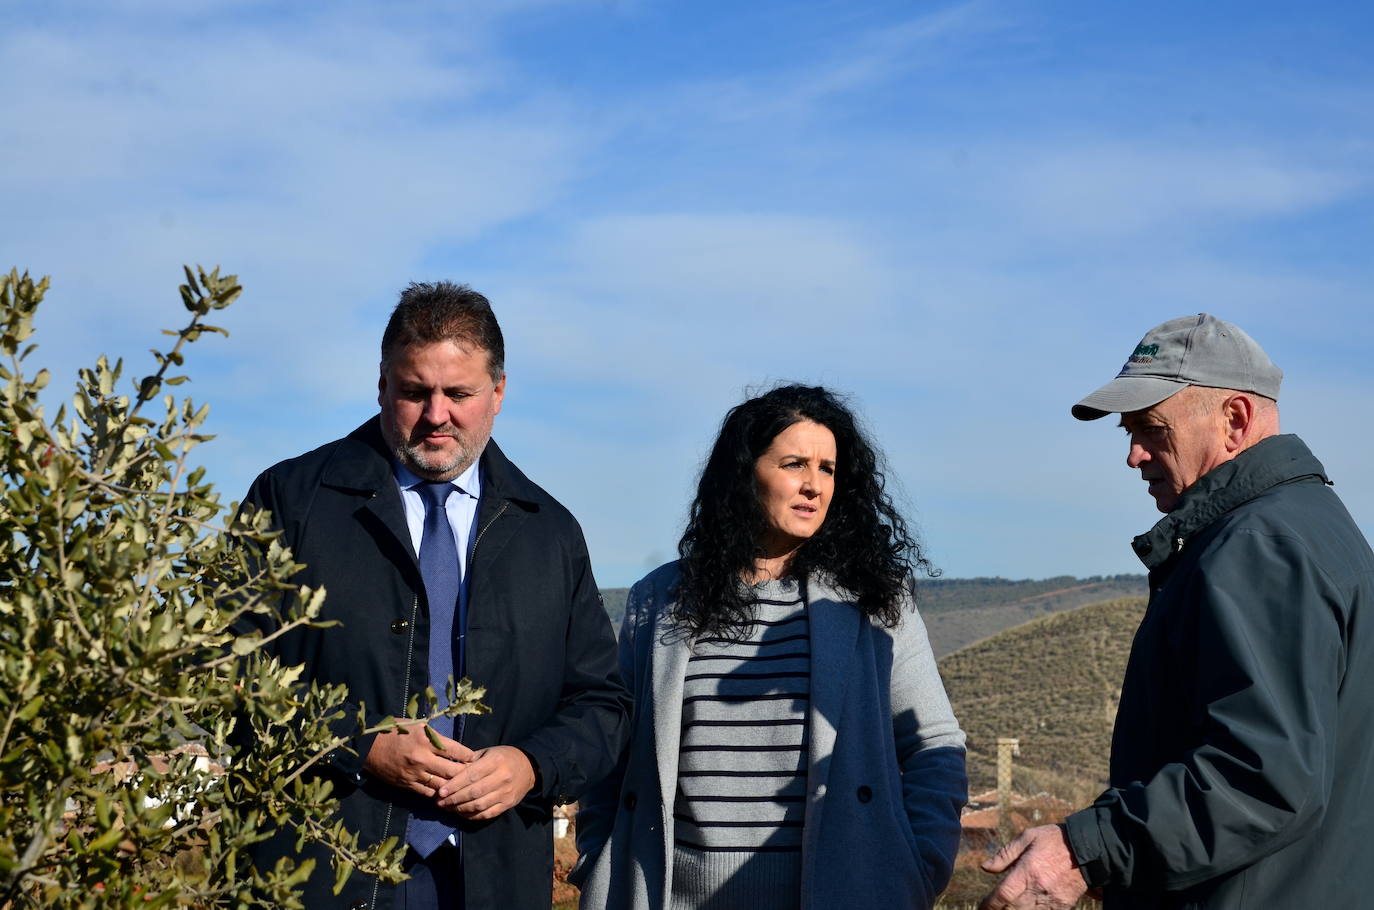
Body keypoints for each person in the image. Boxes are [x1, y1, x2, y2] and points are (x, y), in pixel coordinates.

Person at [236, 281, 630, 909]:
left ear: (498, 393)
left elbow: (603, 705)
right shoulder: (291, 502)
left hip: (495, 878)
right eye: (415, 392)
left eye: (460, 394)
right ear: (383, 386)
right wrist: (360, 746)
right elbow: (233, 671)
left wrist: (531, 765)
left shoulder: (551, 533)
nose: (437, 414)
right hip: (325, 872)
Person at [980, 314, 1374, 910]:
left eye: (1152, 429)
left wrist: (1085, 849)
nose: (1134, 456)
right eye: (1128, 433)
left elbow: (1260, 777)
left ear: (1235, 419)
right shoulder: (1319, 529)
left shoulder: (1258, 546)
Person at [572, 384, 967, 910]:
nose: (813, 486)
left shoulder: (876, 601)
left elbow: (934, 745)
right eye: (794, 464)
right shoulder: (659, 599)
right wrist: (596, 863)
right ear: (744, 472)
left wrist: (918, 868)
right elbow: (613, 750)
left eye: (827, 468)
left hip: (843, 894)